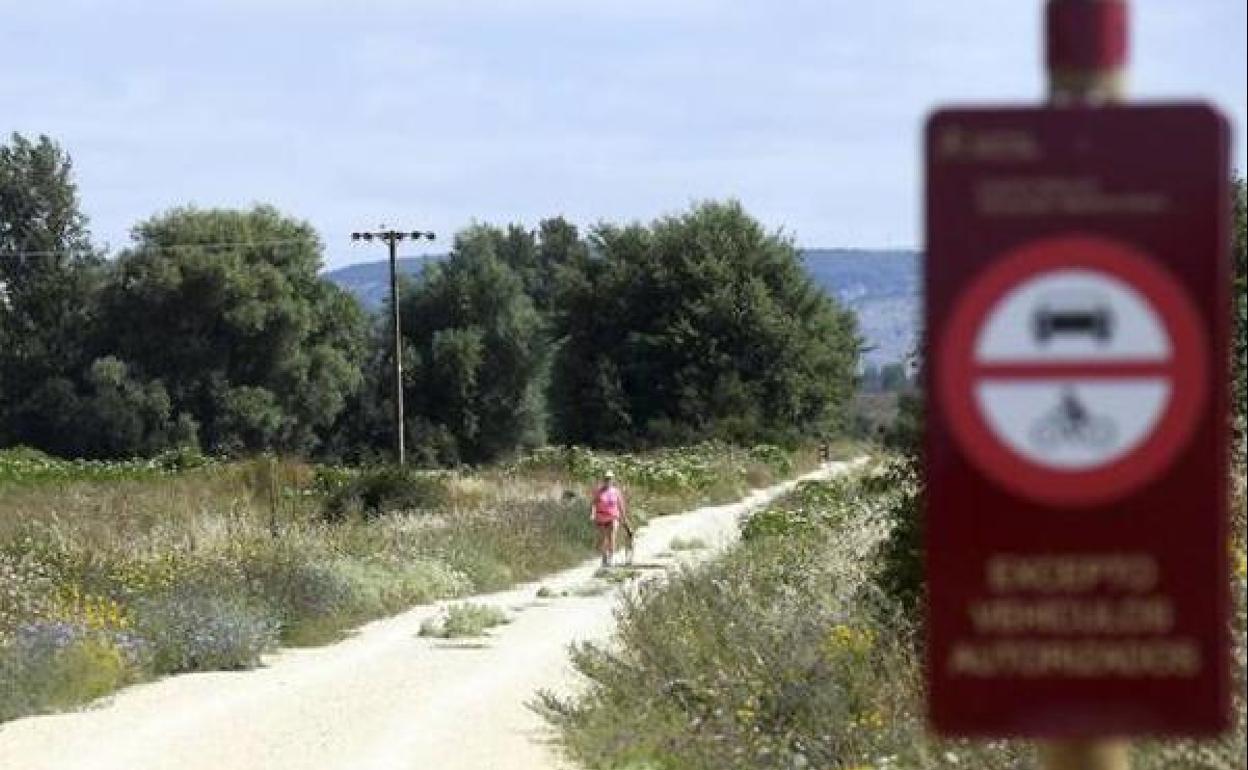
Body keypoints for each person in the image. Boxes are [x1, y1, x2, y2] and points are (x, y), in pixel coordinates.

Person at [590, 469, 627, 567]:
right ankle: (604, 557)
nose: (608, 480)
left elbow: (621, 505)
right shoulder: (598, 491)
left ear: (613, 480)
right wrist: (593, 514)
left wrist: (624, 518)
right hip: (601, 517)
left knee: (612, 538)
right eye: (606, 479)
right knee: (603, 539)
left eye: (610, 479)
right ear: (603, 479)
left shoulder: (616, 491)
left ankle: (611, 558)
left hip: (613, 517)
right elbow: (594, 503)